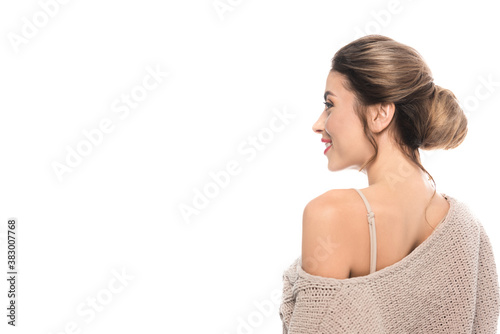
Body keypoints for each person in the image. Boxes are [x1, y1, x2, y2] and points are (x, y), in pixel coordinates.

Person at [279, 35, 500, 333]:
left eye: (330, 104)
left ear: (380, 113)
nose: (319, 123)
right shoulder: (466, 227)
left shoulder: (331, 214)